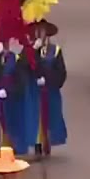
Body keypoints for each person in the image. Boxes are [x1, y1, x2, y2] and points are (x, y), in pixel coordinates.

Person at [22, 21, 67, 158]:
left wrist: (48, 80)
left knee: (50, 117)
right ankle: (37, 146)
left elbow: (61, 72)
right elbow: (23, 67)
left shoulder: (55, 50)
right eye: (37, 31)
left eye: (42, 31)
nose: (39, 34)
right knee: (35, 118)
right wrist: (32, 51)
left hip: (50, 90)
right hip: (34, 92)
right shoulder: (29, 50)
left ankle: (47, 141)